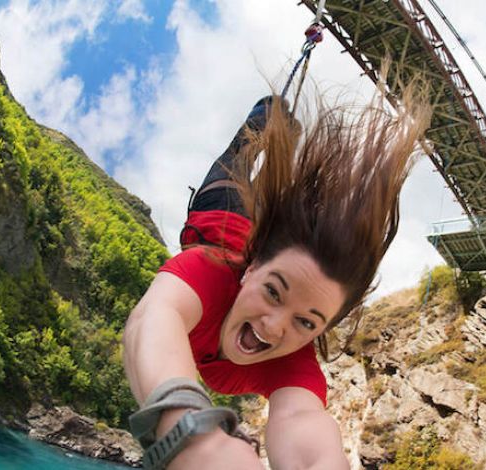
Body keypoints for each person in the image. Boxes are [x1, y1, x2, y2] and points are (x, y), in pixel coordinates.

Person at [123, 90, 429, 469]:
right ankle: (270, 114)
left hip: (265, 240)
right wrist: (190, 434)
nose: (273, 326)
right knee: (242, 151)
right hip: (217, 214)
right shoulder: (206, 271)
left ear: (321, 331)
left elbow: (303, 423)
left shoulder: (293, 363)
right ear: (251, 270)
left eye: (306, 321)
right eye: (273, 292)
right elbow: (153, 318)